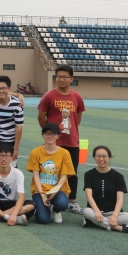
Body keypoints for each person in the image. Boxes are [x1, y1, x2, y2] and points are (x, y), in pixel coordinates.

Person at [38, 64, 85, 214]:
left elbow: (77, 118)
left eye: (65, 77)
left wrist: (70, 131)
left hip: (72, 141)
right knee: (50, 171)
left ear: (71, 79)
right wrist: (50, 134)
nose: (61, 79)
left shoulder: (77, 97)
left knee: (72, 172)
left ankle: (72, 201)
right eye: (59, 76)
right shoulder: (49, 96)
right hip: (54, 143)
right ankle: (49, 198)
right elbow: (41, 117)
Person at [83, 145, 128, 235]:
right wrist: (97, 212)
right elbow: (88, 195)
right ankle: (120, 228)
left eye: (104, 156)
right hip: (95, 211)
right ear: (94, 157)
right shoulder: (89, 174)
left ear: (109, 157)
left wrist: (115, 216)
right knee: (86, 211)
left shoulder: (118, 176)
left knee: (127, 217)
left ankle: (93, 222)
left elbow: (120, 198)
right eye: (98, 156)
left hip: (112, 212)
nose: (101, 159)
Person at [26, 123, 76, 224]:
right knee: (43, 220)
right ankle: (44, 206)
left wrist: (55, 191)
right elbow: (36, 176)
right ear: (42, 135)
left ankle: (56, 210)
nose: (49, 136)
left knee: (62, 204)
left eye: (53, 134)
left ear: (58, 136)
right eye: (47, 133)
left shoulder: (64, 153)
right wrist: (42, 194)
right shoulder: (35, 152)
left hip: (58, 189)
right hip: (40, 190)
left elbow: (64, 176)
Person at [0, 76, 24, 167]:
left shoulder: (17, 104)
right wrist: (19, 94)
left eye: (4, 88)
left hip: (10, 141)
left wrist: (15, 148)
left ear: (9, 89)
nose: (1, 91)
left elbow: (19, 127)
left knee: (11, 168)